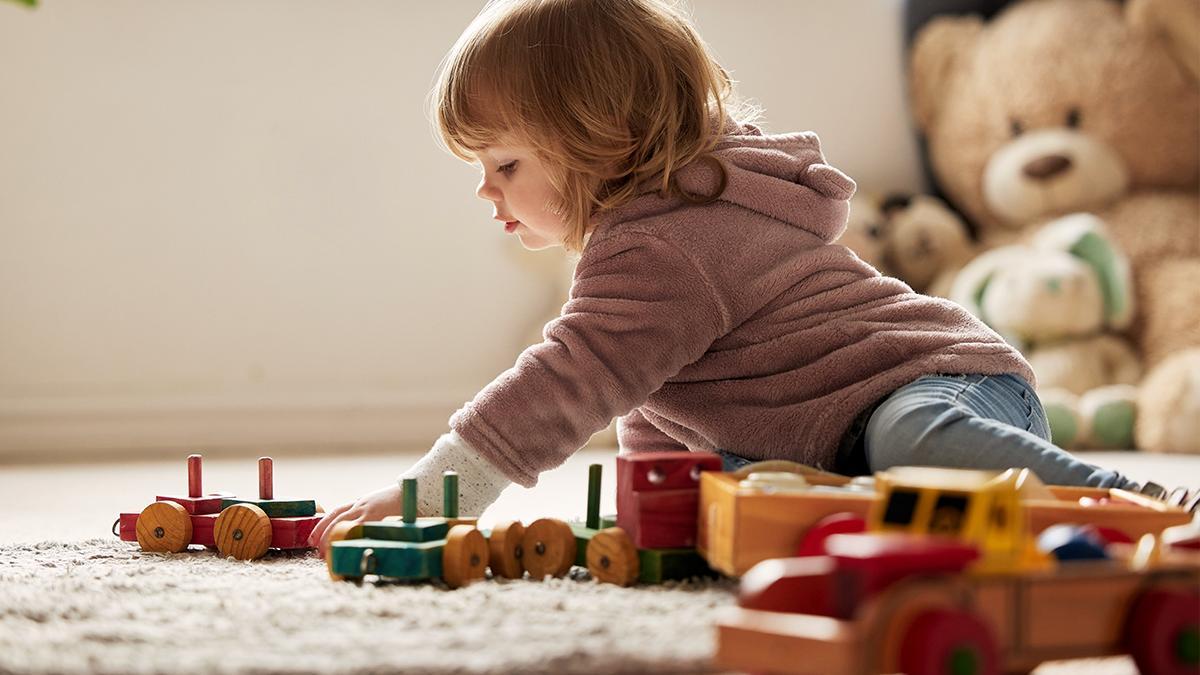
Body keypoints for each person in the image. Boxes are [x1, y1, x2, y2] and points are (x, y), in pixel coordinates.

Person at [309, 0, 1178, 555]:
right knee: (780, 497)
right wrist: (652, 535)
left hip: (937, 385)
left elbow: (571, 379)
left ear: (593, 138)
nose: (485, 191)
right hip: (846, 430)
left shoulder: (667, 243)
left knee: (905, 442)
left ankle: (1124, 500)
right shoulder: (647, 242)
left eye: (503, 163)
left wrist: (436, 494)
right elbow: (647, 402)